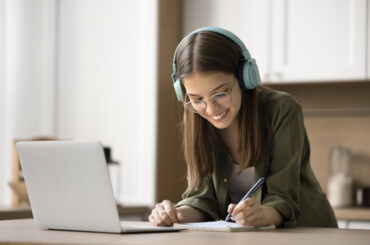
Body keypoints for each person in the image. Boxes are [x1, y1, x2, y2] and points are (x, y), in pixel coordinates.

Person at [149, 27, 337, 228]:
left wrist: (262, 214)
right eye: (197, 99)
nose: (211, 109)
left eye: (220, 94)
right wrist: (174, 214)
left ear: (244, 78)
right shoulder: (197, 117)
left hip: (309, 233)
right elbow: (203, 200)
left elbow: (284, 199)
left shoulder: (281, 110)